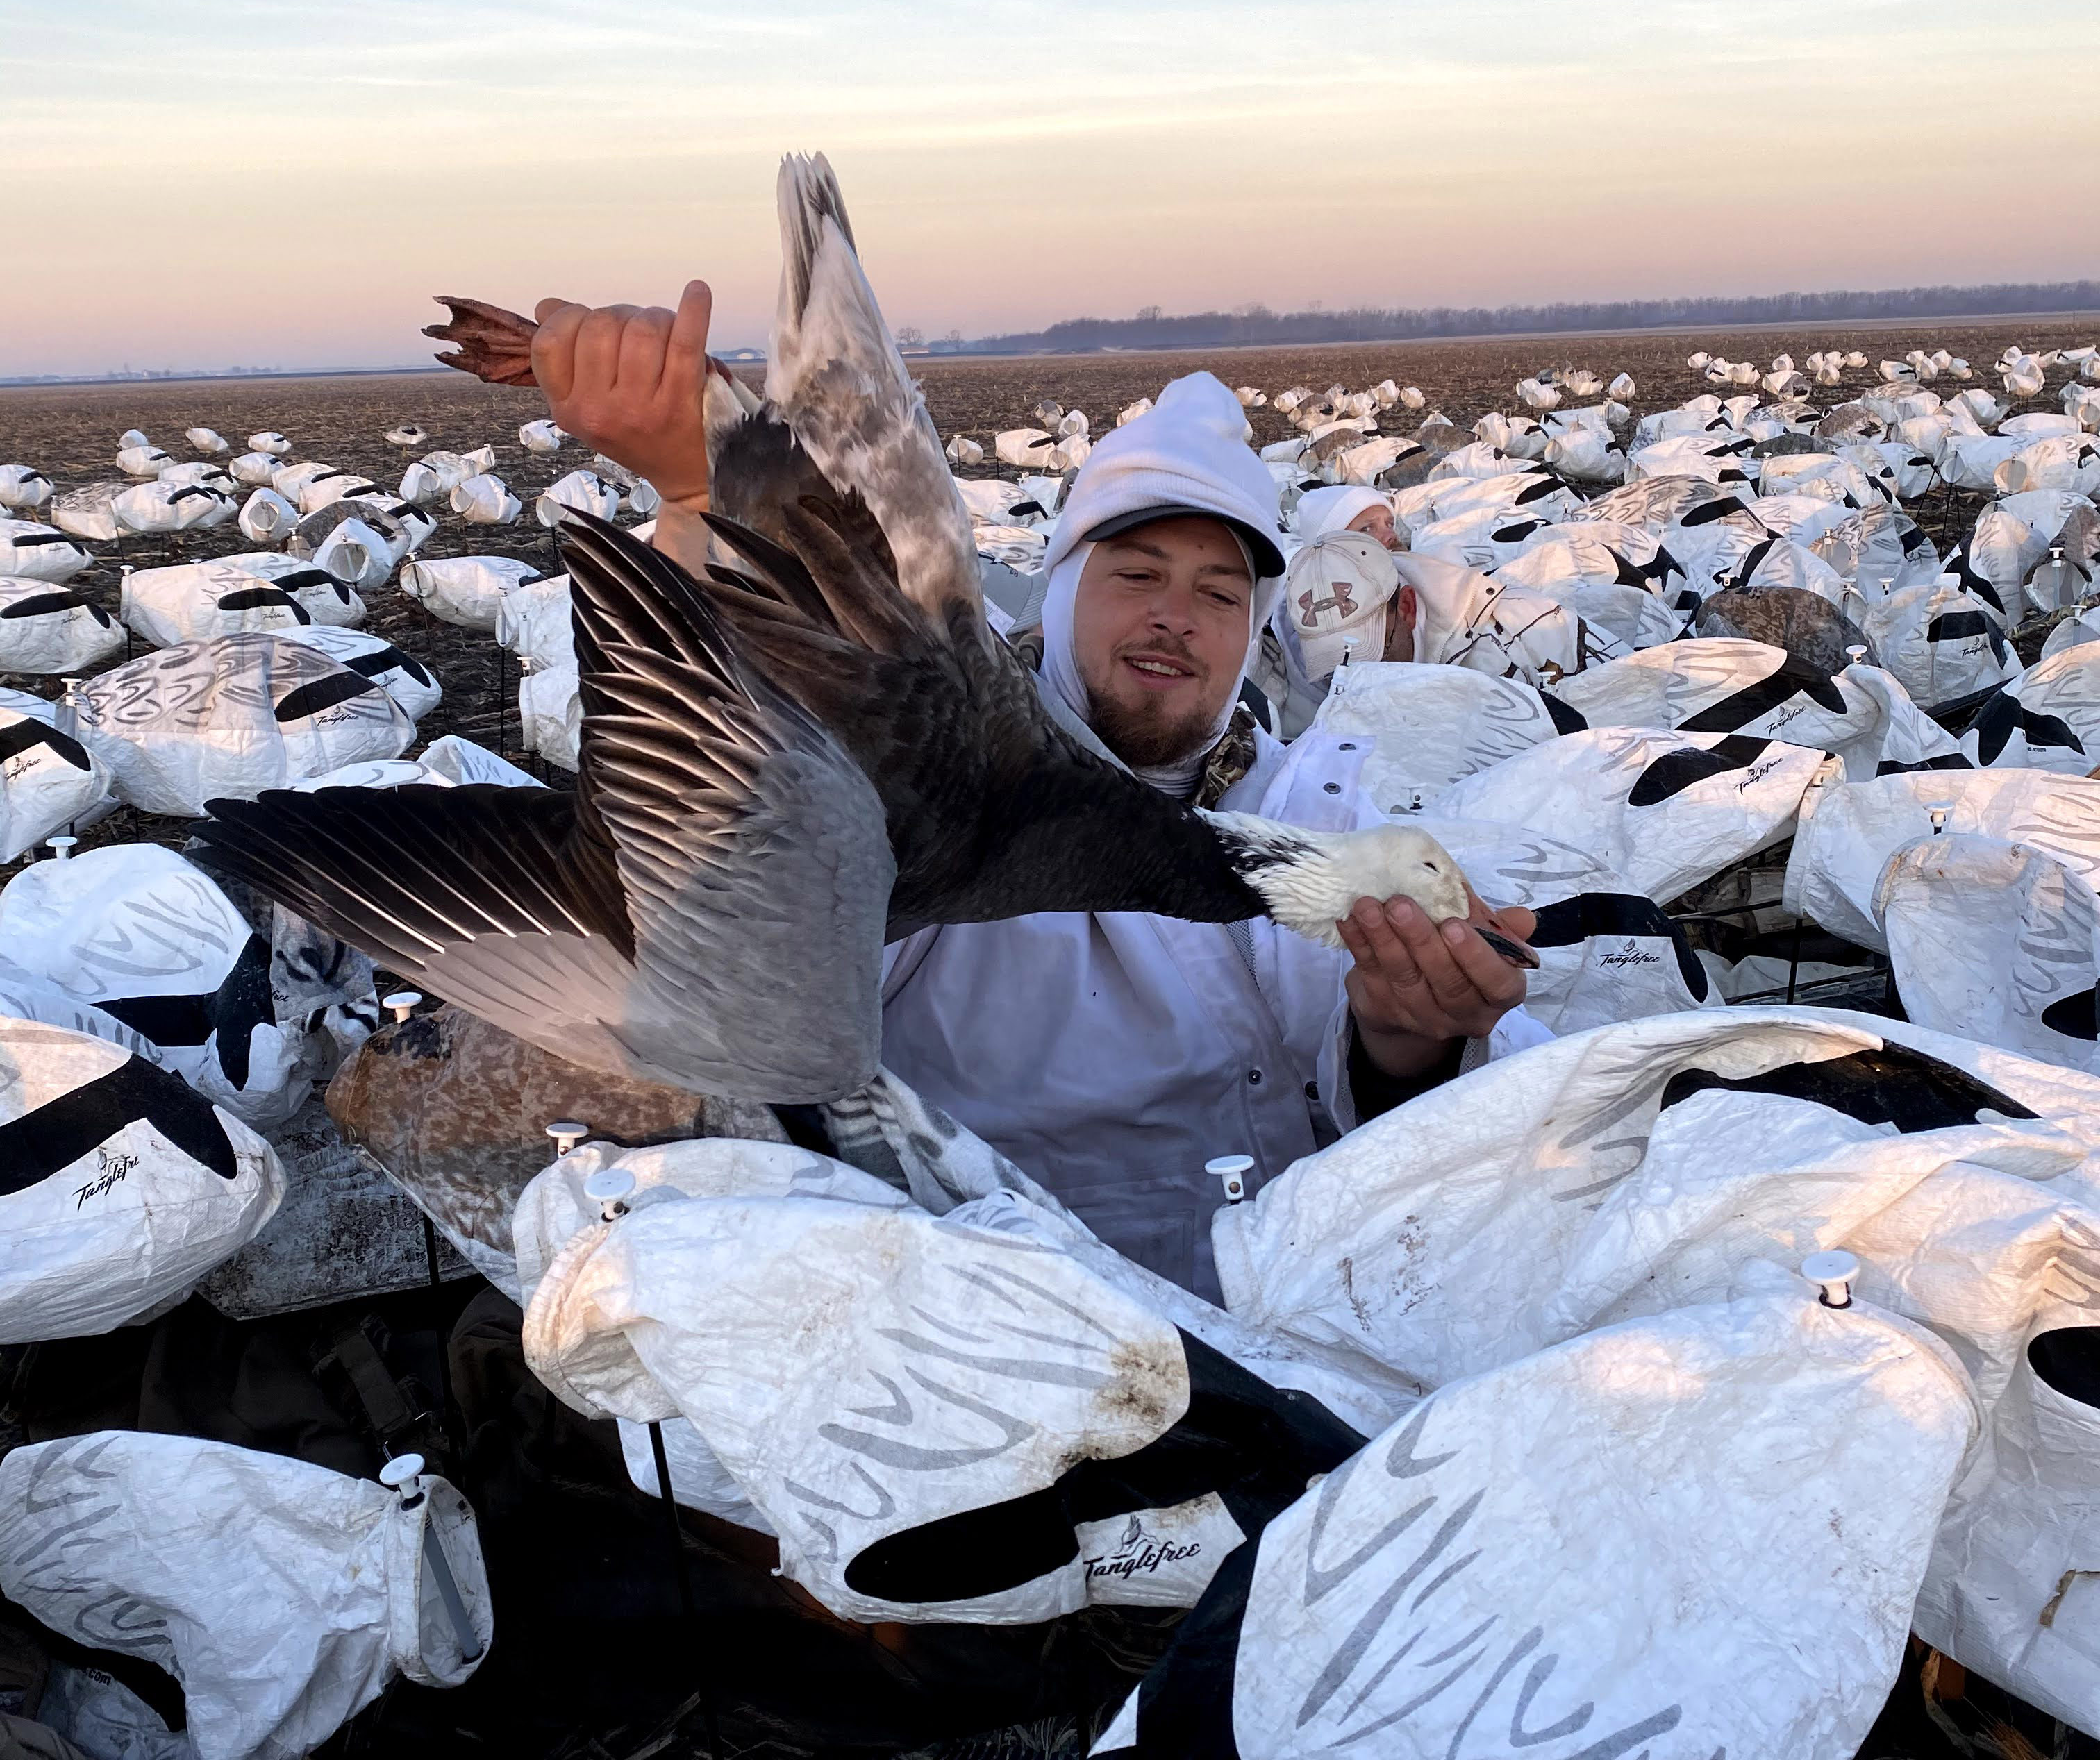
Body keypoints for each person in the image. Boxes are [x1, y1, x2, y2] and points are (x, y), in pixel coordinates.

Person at [527, 287, 1540, 1296]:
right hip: (988, 1320)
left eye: (1219, 593)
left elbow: (1424, 1119)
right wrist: (694, 500)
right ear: (1061, 592)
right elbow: (719, 883)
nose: (1176, 617)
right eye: (1136, 575)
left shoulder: (1321, 809)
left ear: (1251, 634)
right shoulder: (941, 794)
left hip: (1288, 1319)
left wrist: (1409, 1040)